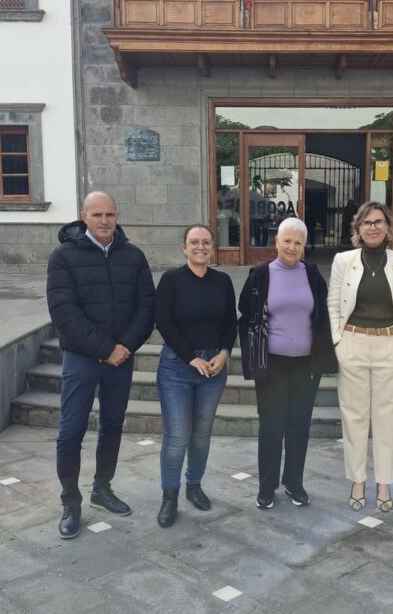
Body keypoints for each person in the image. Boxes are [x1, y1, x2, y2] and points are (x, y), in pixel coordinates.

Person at [46, 191, 155, 539]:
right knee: (70, 432)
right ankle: (70, 502)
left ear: (117, 215)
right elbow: (64, 312)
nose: (104, 221)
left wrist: (124, 348)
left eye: (110, 214)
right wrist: (106, 349)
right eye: (97, 215)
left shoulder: (133, 256)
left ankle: (102, 488)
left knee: (112, 426)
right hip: (81, 359)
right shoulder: (63, 257)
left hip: (120, 359)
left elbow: (146, 307)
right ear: (84, 216)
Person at [238, 217, 336, 509]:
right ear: (276, 241)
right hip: (272, 365)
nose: (292, 247)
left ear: (304, 246)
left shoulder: (313, 275)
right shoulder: (260, 275)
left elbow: (322, 315)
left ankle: (294, 483)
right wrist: (253, 355)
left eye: (298, 242)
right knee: (271, 426)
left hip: (306, 365)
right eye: (287, 241)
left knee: (298, 425)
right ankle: (266, 487)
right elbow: (246, 314)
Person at [328, 201, 393, 511]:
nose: (373, 227)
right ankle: (357, 481)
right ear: (358, 228)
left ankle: (384, 483)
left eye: (379, 222)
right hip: (352, 344)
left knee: (387, 419)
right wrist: (338, 342)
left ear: (388, 227)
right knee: (354, 417)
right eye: (366, 222)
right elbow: (333, 304)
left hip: (389, 345)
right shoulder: (344, 261)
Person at [154, 224, 237, 528]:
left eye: (206, 242)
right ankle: (170, 496)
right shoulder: (171, 280)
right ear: (184, 248)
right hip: (177, 367)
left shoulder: (222, 281)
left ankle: (194, 485)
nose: (200, 247)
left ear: (213, 247)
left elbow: (231, 322)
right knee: (177, 436)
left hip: (213, 368)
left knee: (201, 434)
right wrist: (191, 358)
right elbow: (163, 321)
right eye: (194, 242)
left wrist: (224, 354)